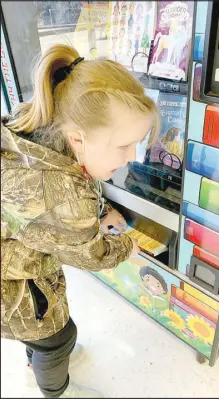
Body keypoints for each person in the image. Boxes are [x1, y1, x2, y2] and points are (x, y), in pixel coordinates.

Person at [1, 44, 159, 398]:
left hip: (18, 256)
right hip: (13, 285)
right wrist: (128, 246)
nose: (133, 157)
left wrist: (100, 213)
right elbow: (92, 254)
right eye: (124, 146)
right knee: (57, 339)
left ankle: (36, 361)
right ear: (78, 138)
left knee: (45, 335)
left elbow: (68, 178)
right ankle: (54, 390)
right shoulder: (64, 196)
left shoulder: (40, 123)